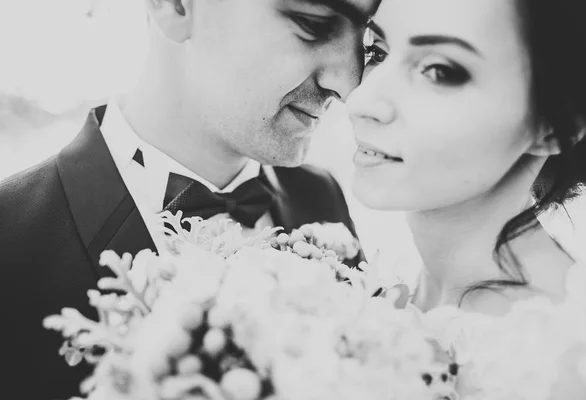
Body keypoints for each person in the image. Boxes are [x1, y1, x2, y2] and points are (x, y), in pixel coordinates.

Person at [0, 0, 378, 398]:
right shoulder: (11, 236)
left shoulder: (322, 199)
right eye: (312, 24)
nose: (351, 84)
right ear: (176, 7)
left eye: (367, 42)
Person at [347, 0, 586, 397]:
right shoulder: (387, 277)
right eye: (376, 51)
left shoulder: (563, 364)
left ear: (555, 125)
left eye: (438, 71)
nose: (360, 101)